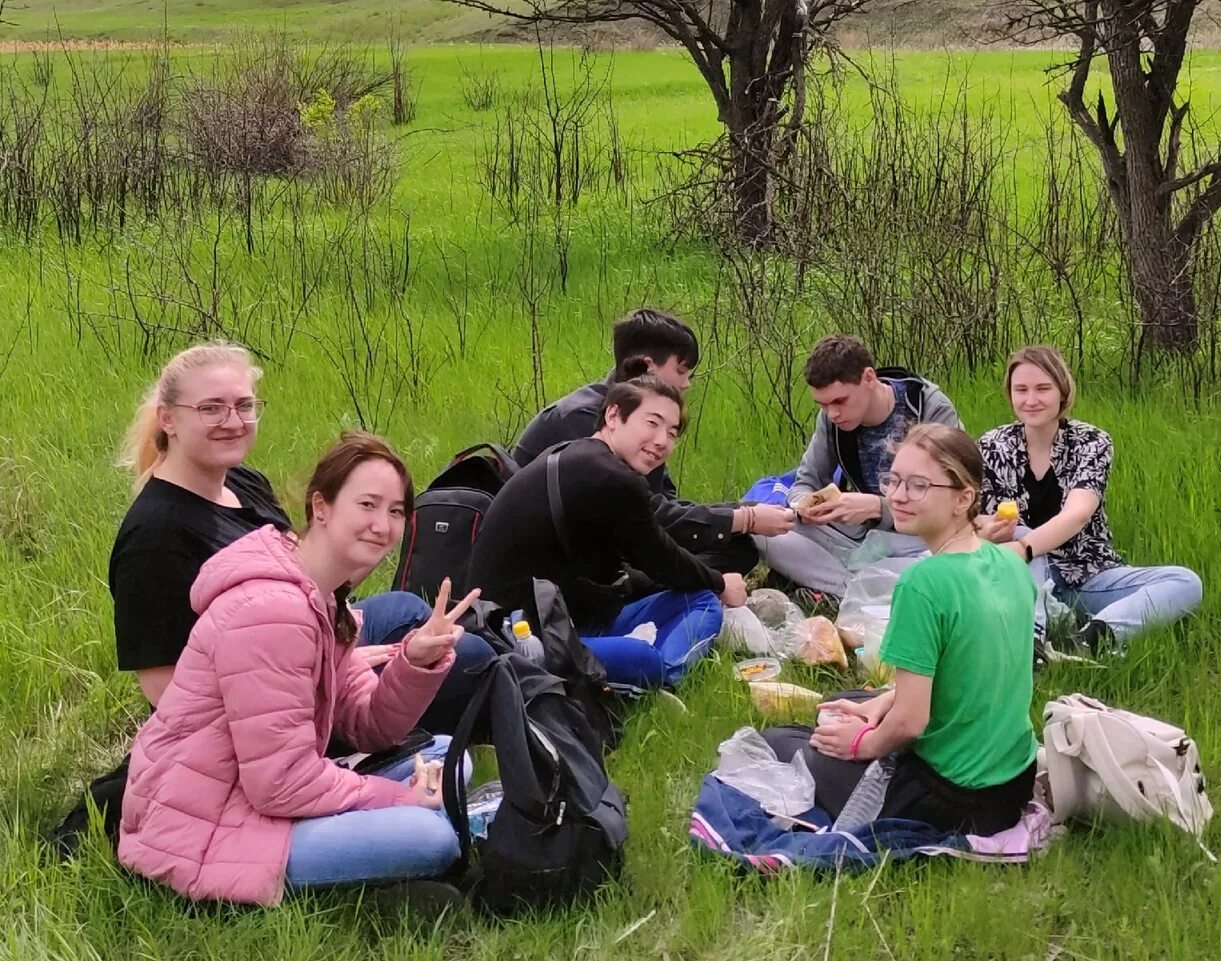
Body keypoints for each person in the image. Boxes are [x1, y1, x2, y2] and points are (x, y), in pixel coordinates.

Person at [118, 431, 481, 906]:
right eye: (367, 504)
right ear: (321, 507)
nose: (382, 525)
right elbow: (280, 784)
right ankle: (388, 870)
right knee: (429, 837)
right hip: (206, 828)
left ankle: (398, 844)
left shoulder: (326, 598)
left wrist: (415, 662)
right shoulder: (273, 611)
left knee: (449, 758)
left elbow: (369, 728)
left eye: (395, 511)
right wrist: (395, 799)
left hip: (258, 796)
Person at [109, 341, 493, 726]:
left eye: (244, 406)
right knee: (472, 660)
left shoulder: (243, 482)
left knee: (405, 609)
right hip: (264, 708)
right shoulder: (154, 537)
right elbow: (168, 696)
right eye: (211, 408)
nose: (233, 421)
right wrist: (327, 671)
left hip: (306, 641)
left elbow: (303, 576)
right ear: (168, 419)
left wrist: (366, 542)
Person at [805, 424, 1039, 835]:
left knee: (802, 744)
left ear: (963, 498)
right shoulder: (1007, 561)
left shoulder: (922, 583)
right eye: (893, 480)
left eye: (918, 485)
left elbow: (911, 723)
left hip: (953, 798)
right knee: (847, 702)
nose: (896, 495)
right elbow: (973, 670)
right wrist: (882, 704)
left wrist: (862, 746)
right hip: (1013, 782)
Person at [468, 373, 748, 688]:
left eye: (671, 433)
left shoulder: (575, 453)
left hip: (539, 616)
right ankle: (665, 680)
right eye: (652, 423)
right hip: (524, 637)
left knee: (696, 598)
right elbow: (662, 559)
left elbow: (631, 562)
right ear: (613, 415)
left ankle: (637, 668)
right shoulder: (614, 478)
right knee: (656, 646)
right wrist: (722, 582)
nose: (662, 441)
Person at [513, 307, 794, 575]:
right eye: (681, 371)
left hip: (611, 535)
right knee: (712, 552)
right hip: (558, 556)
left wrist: (743, 514)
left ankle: (682, 584)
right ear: (647, 367)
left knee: (737, 548)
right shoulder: (583, 418)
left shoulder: (642, 414)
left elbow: (662, 500)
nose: (686, 385)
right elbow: (643, 514)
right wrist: (744, 519)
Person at [977, 345, 1202, 657]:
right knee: (1018, 534)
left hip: (1087, 574)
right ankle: (1031, 644)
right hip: (1021, 578)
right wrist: (989, 529)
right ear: (1010, 394)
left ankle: (1091, 638)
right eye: (1021, 390)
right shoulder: (992, 445)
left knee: (1185, 582)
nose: (1031, 400)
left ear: (1062, 392)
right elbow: (972, 514)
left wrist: (1023, 547)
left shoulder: (1091, 441)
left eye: (1043, 388)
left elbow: (1079, 513)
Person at [757, 334, 962, 599]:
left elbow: (952, 497)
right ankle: (857, 589)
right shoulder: (832, 420)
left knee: (947, 559)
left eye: (840, 401)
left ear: (869, 378)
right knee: (762, 529)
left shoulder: (928, 407)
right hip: (857, 537)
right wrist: (806, 506)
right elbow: (805, 481)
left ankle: (846, 587)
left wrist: (876, 507)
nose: (833, 414)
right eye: (823, 405)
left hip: (916, 539)